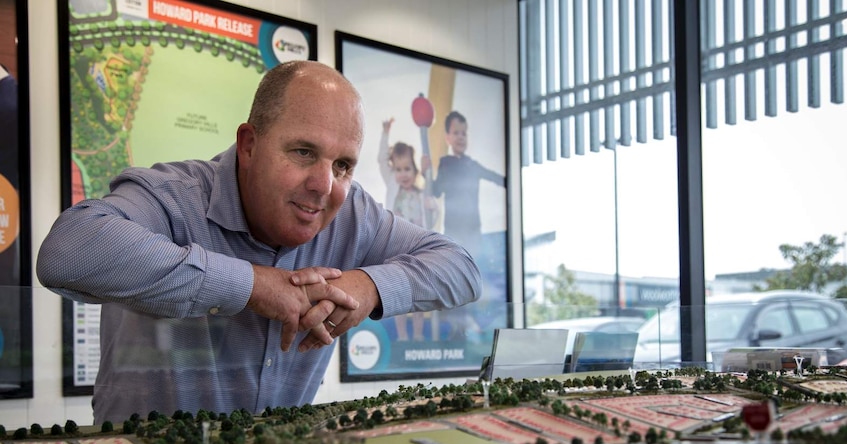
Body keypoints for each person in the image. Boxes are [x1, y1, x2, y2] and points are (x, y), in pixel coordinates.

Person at [37, 61, 482, 424]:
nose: (324, 185)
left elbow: (461, 267)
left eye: (343, 164)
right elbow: (68, 250)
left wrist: (367, 287)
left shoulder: (354, 214)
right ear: (249, 145)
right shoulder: (173, 194)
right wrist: (252, 287)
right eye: (304, 152)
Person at [432, 110, 504, 339]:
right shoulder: (445, 163)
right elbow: (436, 190)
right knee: (455, 279)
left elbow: (496, 177)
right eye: (456, 133)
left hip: (474, 232)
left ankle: (467, 325)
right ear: (448, 138)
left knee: (473, 280)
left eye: (464, 133)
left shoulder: (473, 165)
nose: (461, 137)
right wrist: (426, 169)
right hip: (454, 232)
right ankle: (457, 326)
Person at [377, 118, 438, 341]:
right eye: (399, 169)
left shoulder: (421, 195)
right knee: (399, 294)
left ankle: (419, 335)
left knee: (419, 294)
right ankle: (403, 336)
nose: (403, 174)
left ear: (415, 170)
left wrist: (435, 207)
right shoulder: (393, 186)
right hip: (397, 248)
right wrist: (385, 133)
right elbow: (382, 162)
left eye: (408, 169)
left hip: (418, 249)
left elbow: (431, 220)